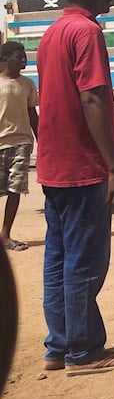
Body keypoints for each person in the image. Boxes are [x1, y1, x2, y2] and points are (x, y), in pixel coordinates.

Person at [36, 0, 114, 373]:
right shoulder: (86, 31)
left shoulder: (52, 33)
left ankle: (58, 346)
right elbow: (91, 99)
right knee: (84, 260)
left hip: (53, 164)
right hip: (82, 165)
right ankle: (82, 351)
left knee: (59, 258)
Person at [0, 42, 37, 252]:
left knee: (15, 189)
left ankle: (6, 234)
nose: (24, 59)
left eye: (25, 56)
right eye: (18, 56)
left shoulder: (28, 85)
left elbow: (33, 116)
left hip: (21, 143)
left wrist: (42, 139)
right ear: (5, 59)